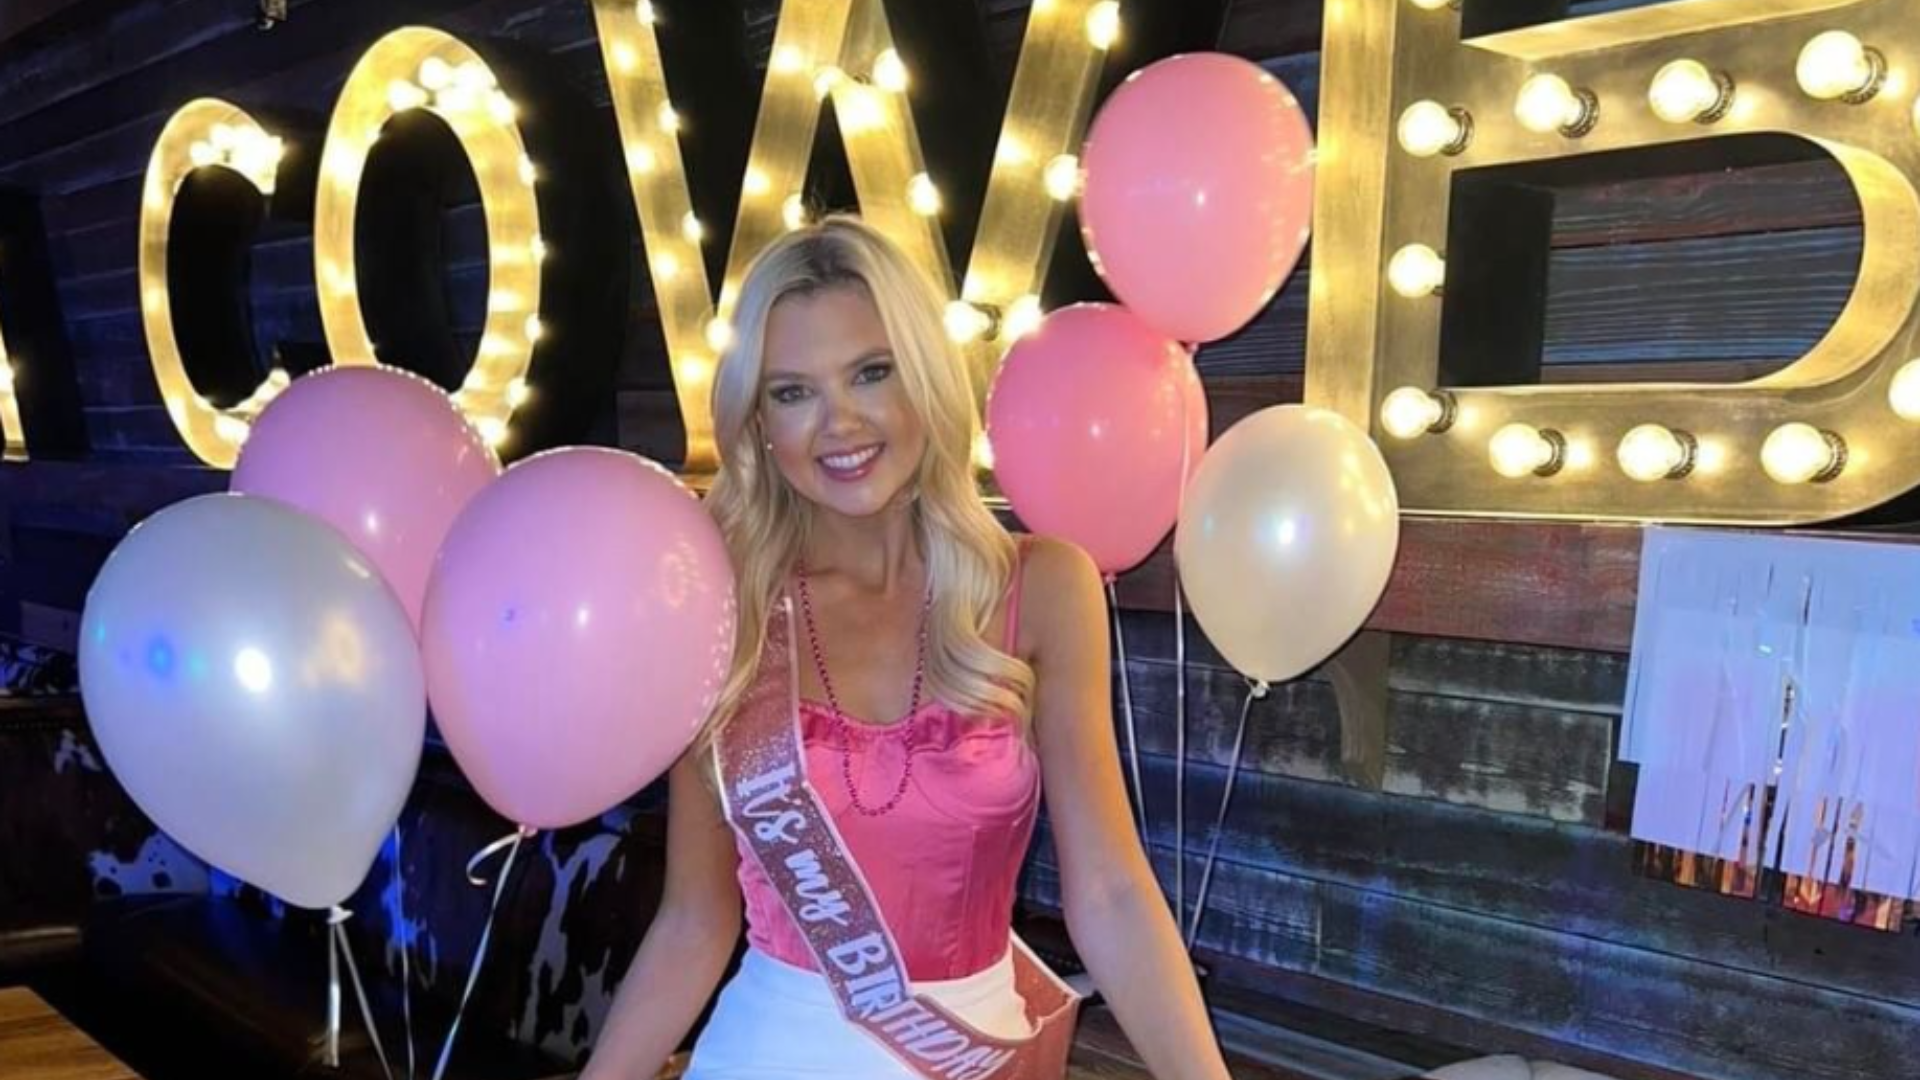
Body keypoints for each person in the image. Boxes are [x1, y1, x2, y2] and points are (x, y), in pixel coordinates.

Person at [582, 216, 1231, 1080]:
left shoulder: (1041, 588)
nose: (838, 424)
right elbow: (695, 921)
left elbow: (1110, 892)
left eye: (871, 372)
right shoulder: (722, 609)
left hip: (973, 1057)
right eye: (792, 391)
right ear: (759, 423)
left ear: (926, 379)